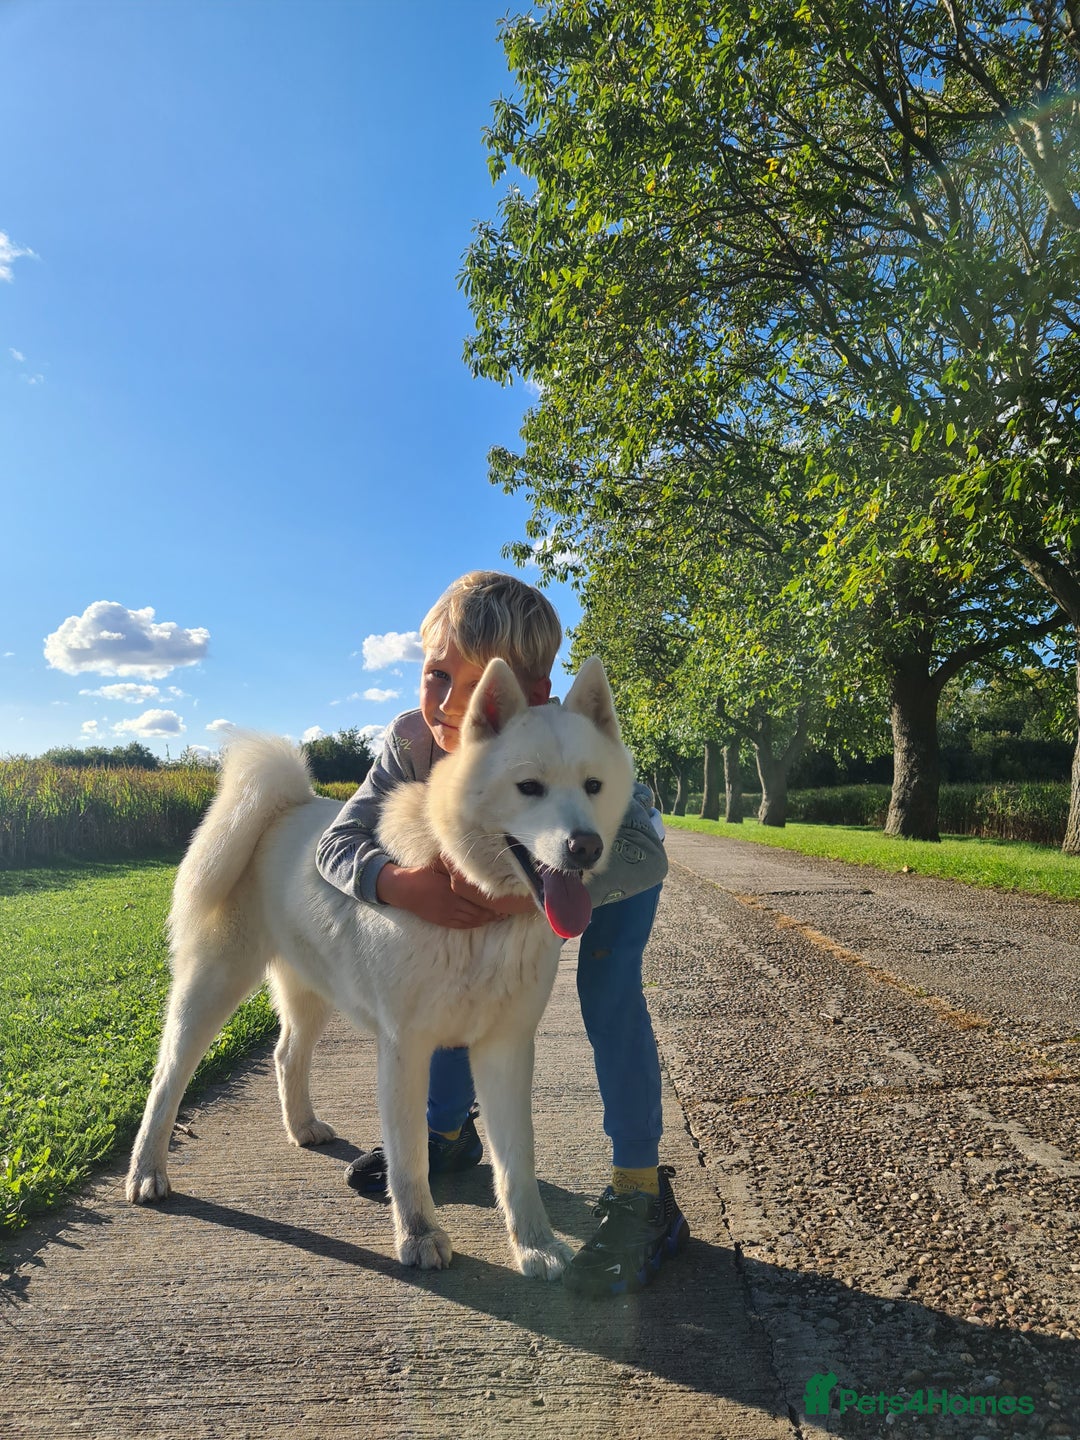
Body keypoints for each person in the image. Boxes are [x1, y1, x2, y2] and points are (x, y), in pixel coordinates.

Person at [315, 571, 688, 1295]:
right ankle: (448, 1133)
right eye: (436, 678)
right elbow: (337, 844)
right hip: (510, 865)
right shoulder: (411, 742)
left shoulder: (568, 740)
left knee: (609, 993)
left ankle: (642, 1189)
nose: (452, 705)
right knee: (453, 969)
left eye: (481, 687)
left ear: (535, 692)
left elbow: (642, 849)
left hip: (609, 871)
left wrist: (522, 900)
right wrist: (400, 883)